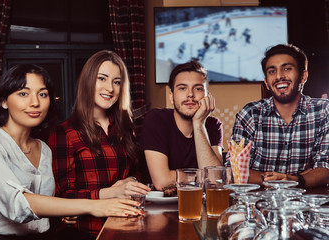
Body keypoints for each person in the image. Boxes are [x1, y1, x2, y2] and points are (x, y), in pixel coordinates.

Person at [0, 64, 142, 240]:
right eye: (23, 93)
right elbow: (17, 204)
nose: (35, 102)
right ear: (4, 101)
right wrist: (95, 206)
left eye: (42, 94)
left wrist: (64, 216)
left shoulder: (43, 149)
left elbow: (49, 207)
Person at [48, 50, 150, 239]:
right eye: (101, 79)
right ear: (88, 81)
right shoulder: (64, 132)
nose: (110, 88)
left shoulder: (125, 126)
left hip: (127, 224)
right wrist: (112, 192)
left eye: (117, 82)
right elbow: (63, 197)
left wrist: (132, 182)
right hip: (85, 231)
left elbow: (138, 171)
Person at [227, 44, 329, 188]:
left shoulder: (324, 111)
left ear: (303, 76)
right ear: (266, 82)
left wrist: (293, 179)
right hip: (257, 205)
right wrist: (294, 178)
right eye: (272, 71)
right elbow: (235, 170)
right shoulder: (250, 114)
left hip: (308, 204)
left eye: (287, 68)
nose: (279, 76)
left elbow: (325, 169)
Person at [140, 60, 223, 191]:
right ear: (171, 97)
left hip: (199, 204)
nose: (190, 94)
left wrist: (199, 124)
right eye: (182, 88)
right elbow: (162, 182)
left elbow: (215, 181)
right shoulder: (155, 119)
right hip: (158, 207)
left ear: (208, 96)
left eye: (198, 88)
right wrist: (203, 175)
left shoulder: (213, 125)